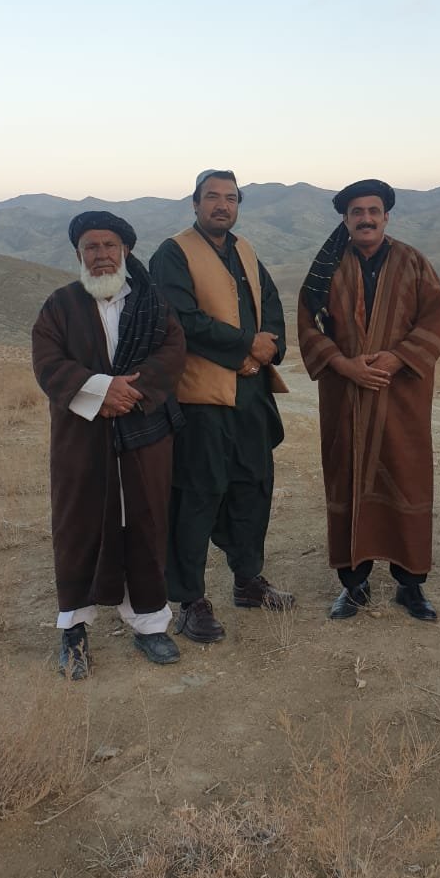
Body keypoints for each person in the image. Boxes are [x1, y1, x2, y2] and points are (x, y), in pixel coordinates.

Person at [32, 210, 186, 678]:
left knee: (146, 522)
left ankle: (150, 624)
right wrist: (101, 389)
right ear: (79, 254)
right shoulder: (60, 305)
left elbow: (172, 351)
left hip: (144, 435)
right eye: (91, 248)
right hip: (81, 439)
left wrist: (129, 392)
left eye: (109, 246)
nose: (101, 255)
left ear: (126, 251)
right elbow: (47, 362)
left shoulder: (152, 303)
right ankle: (74, 629)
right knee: (78, 526)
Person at [149, 169, 294, 643]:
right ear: (195, 203)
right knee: (198, 494)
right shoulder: (173, 253)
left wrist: (268, 348)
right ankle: (189, 600)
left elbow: (271, 305)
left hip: (251, 396)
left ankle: (248, 580)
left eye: (230, 198)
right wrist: (245, 347)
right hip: (201, 399)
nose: (221, 205)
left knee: (253, 487)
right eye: (212, 197)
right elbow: (180, 318)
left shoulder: (245, 250)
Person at [298, 178, 440, 622]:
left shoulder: (413, 262)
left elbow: (436, 317)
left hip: (400, 394)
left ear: (386, 217)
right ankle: (354, 585)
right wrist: (343, 364)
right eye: (357, 212)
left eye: (373, 211)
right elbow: (307, 323)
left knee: (407, 475)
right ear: (346, 219)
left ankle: (411, 585)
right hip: (344, 395)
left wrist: (397, 358)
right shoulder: (327, 266)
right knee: (346, 477)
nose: (365, 219)